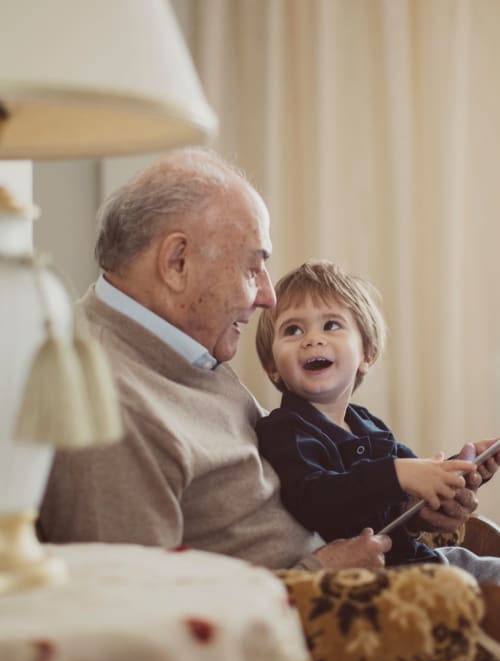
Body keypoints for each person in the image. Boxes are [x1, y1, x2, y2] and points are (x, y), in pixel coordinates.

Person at [38, 147, 497, 570]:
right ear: (177, 262)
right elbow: (140, 617)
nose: (267, 295)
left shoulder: (181, 348)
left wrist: (411, 512)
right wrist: (321, 575)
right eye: (253, 267)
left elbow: (293, 492)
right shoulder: (107, 398)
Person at [255, 259, 500, 581]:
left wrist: (456, 473)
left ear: (367, 354)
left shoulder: (369, 426)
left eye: (330, 325)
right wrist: (397, 473)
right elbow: (315, 499)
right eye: (293, 330)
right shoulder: (283, 429)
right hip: (380, 578)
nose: (311, 339)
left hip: (423, 559)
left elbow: (411, 496)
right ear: (273, 365)